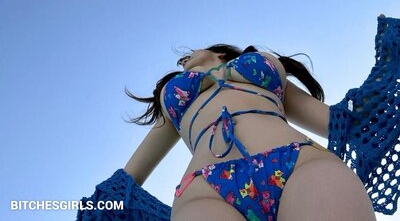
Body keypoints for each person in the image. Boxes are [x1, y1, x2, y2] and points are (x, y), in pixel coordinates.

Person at [77, 13, 399, 220]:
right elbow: (129, 178)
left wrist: (387, 82)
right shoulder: (174, 100)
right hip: (205, 190)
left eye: (187, 56)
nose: (183, 62)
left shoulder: (259, 68)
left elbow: (335, 122)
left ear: (218, 51)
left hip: (297, 162)